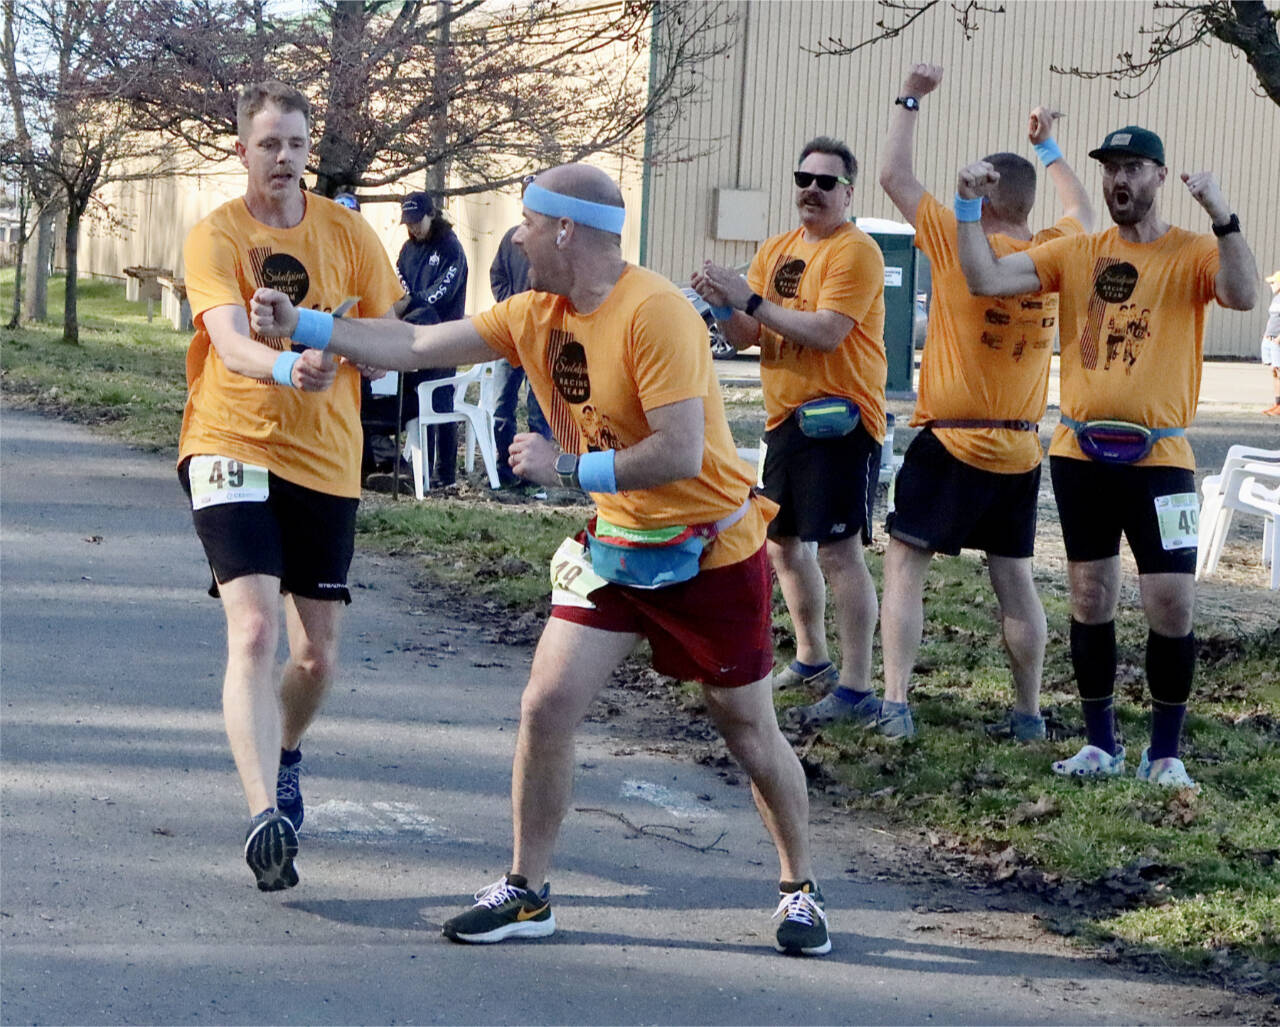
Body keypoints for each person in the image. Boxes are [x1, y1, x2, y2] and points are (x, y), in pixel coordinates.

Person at [250, 163, 833, 956]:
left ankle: (799, 888)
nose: (516, 237)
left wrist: (567, 469)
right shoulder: (535, 311)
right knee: (545, 705)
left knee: (746, 727)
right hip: (617, 547)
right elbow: (417, 341)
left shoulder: (653, 312)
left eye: (526, 222)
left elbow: (680, 450)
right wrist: (308, 325)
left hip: (711, 548)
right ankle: (528, 889)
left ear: (565, 230)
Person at [794, 64, 1093, 740]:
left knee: (905, 564)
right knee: (1013, 577)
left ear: (985, 195)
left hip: (952, 437)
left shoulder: (961, 238)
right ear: (1023, 201)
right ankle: (1027, 713)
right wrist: (1049, 148)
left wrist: (910, 98)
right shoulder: (1056, 249)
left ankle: (896, 702)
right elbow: (1082, 210)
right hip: (1020, 442)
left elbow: (894, 177)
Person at [954, 125, 1258, 787]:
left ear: (1158, 175)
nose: (1118, 180)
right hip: (1081, 453)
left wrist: (1223, 215)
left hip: (1162, 458)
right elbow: (982, 277)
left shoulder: (1192, 251)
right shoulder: (1078, 251)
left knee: (1171, 602)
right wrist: (967, 207)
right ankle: (1100, 743)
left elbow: (1243, 294)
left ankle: (1166, 753)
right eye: (1110, 169)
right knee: (1090, 594)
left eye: (1133, 167)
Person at [176, 80, 403, 890]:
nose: (285, 159)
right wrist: (286, 363)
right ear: (242, 152)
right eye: (269, 144)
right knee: (253, 632)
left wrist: (348, 348)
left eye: (297, 145)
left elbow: (390, 332)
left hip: (326, 459)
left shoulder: (348, 235)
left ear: (311, 152)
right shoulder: (216, 238)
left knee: (316, 656)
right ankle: (263, 810)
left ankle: (287, 752)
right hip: (230, 442)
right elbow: (232, 345)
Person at [691, 137, 888, 732]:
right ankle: (811, 658)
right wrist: (723, 304)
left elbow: (827, 332)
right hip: (786, 421)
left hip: (841, 419)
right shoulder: (776, 249)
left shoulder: (857, 252)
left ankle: (857, 684)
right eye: (804, 177)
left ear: (848, 192)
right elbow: (749, 334)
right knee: (781, 545)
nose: (812, 189)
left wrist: (747, 295)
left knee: (838, 550)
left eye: (826, 182)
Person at [395, 190, 469, 488]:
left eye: (417, 222)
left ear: (431, 215)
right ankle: (417, 468)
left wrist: (413, 302)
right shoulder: (407, 250)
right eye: (408, 223)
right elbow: (397, 281)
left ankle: (445, 473)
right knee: (413, 400)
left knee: (441, 402)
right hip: (411, 334)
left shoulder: (451, 248)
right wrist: (405, 303)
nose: (413, 228)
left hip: (445, 335)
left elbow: (444, 291)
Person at [490, 175, 554, 486]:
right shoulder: (510, 238)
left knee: (539, 409)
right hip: (510, 338)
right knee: (501, 406)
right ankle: (503, 472)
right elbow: (496, 275)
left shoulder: (553, 239)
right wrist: (510, 306)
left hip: (542, 338)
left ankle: (534, 477)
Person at [1262, 270, 1280, 416]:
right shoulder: (1276, 299)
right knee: (1274, 371)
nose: (1271, 285)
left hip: (1278, 340)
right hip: (1270, 339)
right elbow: (1272, 318)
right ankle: (1277, 403)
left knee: (1279, 372)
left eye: (1273, 282)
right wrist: (1266, 335)